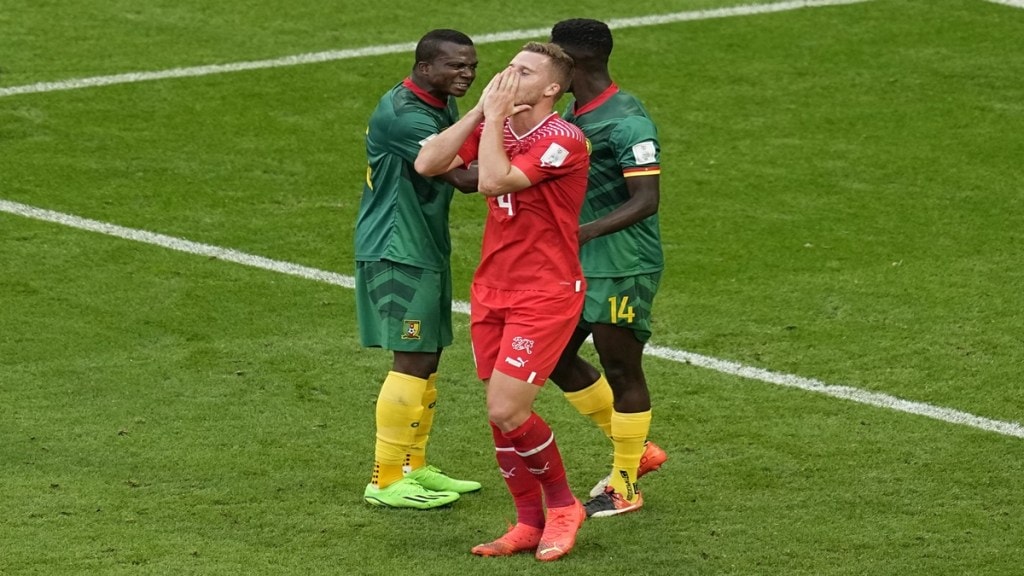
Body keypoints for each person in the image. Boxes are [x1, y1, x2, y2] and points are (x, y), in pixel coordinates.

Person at [415, 42, 589, 561]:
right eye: (510, 66)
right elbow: (428, 162)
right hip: (492, 289)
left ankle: (563, 507)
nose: (509, 74)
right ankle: (527, 522)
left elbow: (492, 182)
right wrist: (478, 112)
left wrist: (491, 121)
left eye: (524, 71)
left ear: (552, 89)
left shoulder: (564, 139)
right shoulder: (501, 126)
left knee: (507, 408)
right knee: (501, 417)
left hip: (546, 290)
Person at [355, 28, 483, 510]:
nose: (466, 74)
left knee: (426, 357)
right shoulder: (406, 116)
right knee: (411, 358)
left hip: (423, 245)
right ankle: (386, 480)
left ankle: (414, 465)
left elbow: (464, 150)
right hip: (397, 249)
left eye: (471, 66)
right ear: (424, 66)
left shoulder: (435, 103)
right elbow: (466, 178)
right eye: (455, 66)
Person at [547, 18, 668, 518]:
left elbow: (646, 199)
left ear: (574, 63)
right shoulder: (577, 112)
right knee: (552, 357)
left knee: (622, 368)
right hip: (579, 264)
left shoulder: (627, 122)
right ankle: (637, 450)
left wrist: (583, 232)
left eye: (555, 58)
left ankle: (625, 485)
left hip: (622, 265)